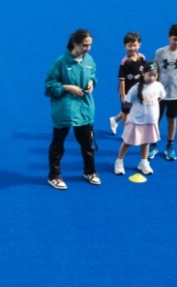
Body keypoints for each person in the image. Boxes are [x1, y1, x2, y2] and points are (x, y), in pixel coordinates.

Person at [45, 28, 99, 190]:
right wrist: (68, 87)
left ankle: (90, 172)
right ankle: (54, 176)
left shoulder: (89, 60)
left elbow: (93, 75)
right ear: (75, 43)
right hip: (65, 111)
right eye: (84, 45)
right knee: (58, 145)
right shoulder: (60, 62)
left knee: (87, 145)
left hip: (84, 110)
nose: (88, 48)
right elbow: (49, 87)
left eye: (90, 45)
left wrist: (91, 83)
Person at [113, 62, 165, 176]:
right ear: (143, 74)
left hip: (150, 121)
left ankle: (143, 162)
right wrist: (138, 108)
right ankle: (119, 162)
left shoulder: (158, 86)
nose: (152, 78)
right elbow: (127, 103)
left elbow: (160, 98)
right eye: (149, 75)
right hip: (136, 121)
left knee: (146, 142)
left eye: (155, 75)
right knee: (127, 142)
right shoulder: (135, 88)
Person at [151, 23, 177, 162]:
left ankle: (170, 146)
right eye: (175, 39)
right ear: (168, 36)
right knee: (156, 120)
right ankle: (153, 144)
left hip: (175, 94)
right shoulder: (160, 52)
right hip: (159, 95)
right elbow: (154, 72)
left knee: (172, 119)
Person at [109, 32, 145, 135]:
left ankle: (115, 119)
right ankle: (127, 132)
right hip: (127, 90)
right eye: (130, 46)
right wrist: (123, 95)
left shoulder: (142, 58)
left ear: (139, 45)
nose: (132, 48)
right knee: (126, 111)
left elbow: (144, 73)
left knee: (134, 107)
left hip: (138, 89)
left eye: (135, 45)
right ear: (125, 46)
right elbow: (122, 80)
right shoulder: (125, 62)